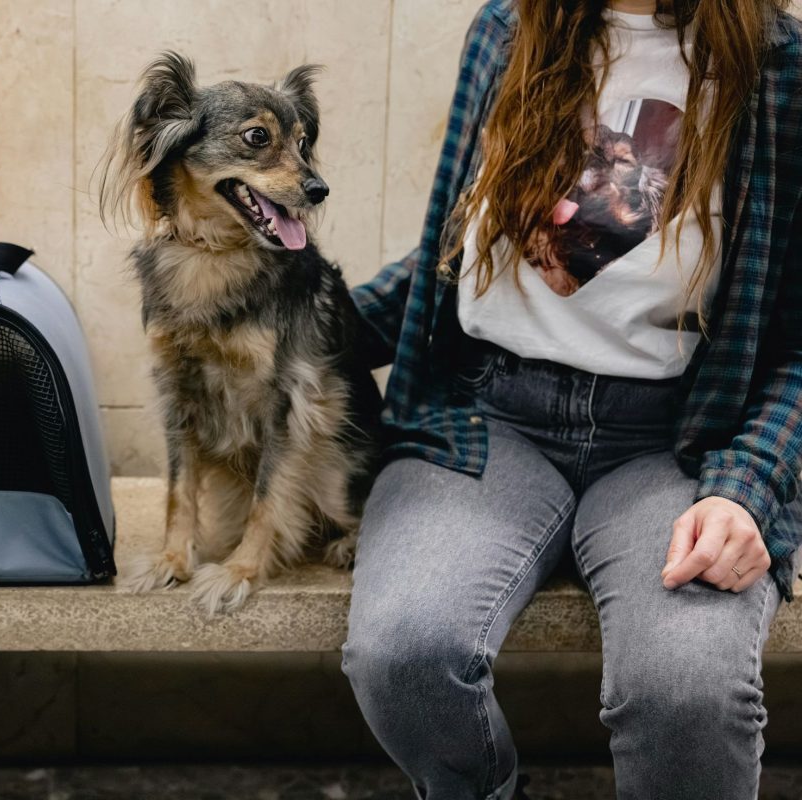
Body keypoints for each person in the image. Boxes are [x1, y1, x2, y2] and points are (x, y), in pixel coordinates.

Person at [341, 1, 802, 798]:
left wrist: (749, 486)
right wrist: (296, 324)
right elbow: (459, 246)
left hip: (675, 443)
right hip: (486, 420)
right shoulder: (512, 29)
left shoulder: (778, 69)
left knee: (686, 695)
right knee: (405, 653)